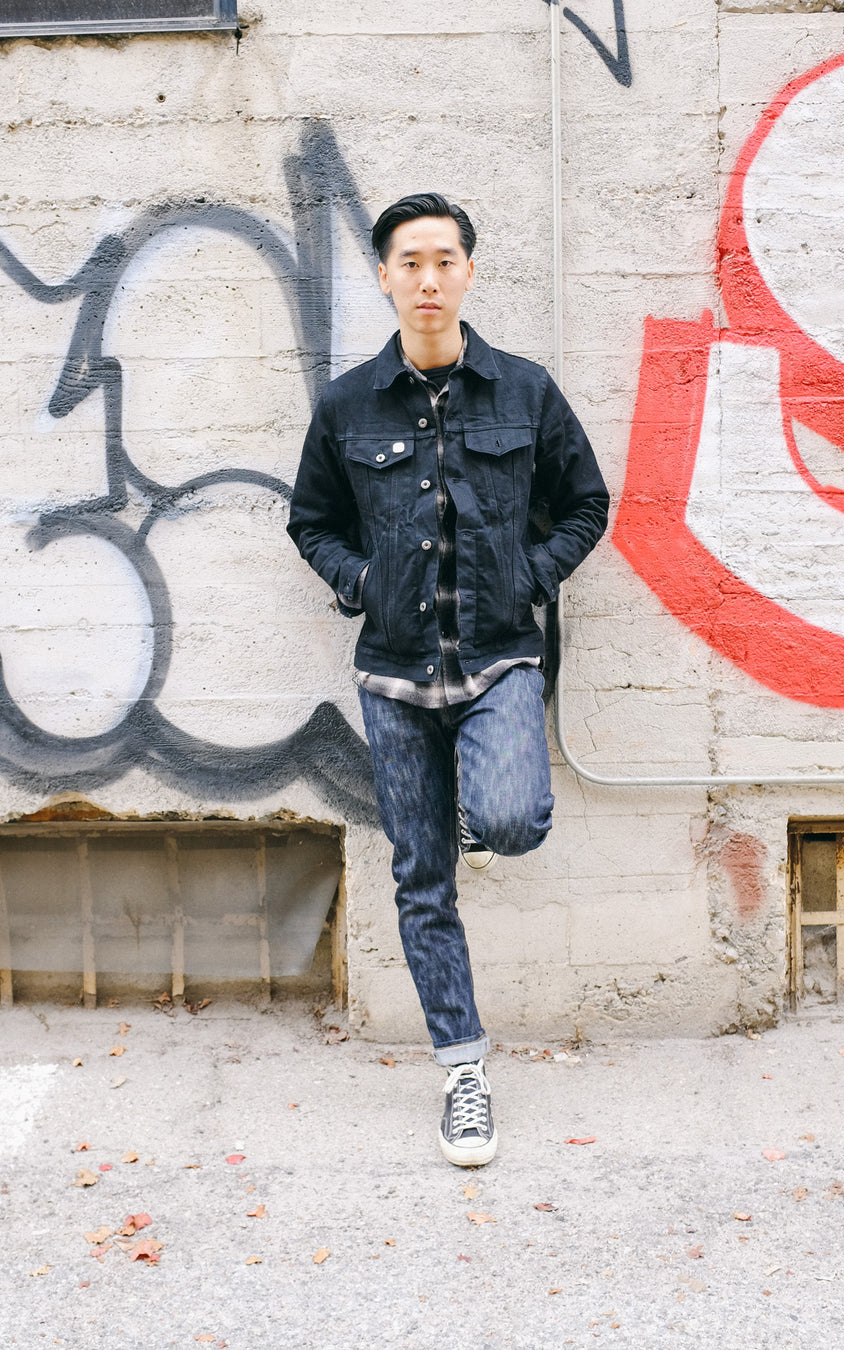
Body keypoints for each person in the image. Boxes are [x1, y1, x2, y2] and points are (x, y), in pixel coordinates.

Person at [287, 192, 608, 1167]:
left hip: (501, 658)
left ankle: (483, 805)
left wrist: (529, 574)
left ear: (468, 271)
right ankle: (464, 1075)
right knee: (422, 881)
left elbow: (586, 503)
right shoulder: (346, 405)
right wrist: (361, 583)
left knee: (512, 822)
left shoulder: (526, 391)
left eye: (444, 261)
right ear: (385, 277)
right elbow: (311, 521)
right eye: (409, 263)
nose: (428, 280)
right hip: (393, 678)